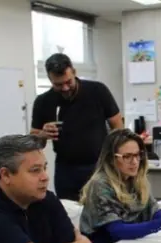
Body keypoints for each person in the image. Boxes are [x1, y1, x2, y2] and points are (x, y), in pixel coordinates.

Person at [30, 53, 123, 201]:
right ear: (50, 79)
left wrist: (116, 158)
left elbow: (118, 127)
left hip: (99, 165)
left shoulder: (97, 91)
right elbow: (33, 142)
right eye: (58, 84)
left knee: (104, 209)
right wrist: (42, 135)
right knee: (69, 213)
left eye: (68, 82)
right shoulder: (43, 102)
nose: (65, 88)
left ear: (74, 72)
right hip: (66, 170)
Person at [80, 129, 161, 243]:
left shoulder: (136, 179)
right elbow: (117, 230)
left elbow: (154, 212)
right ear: (111, 159)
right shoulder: (100, 185)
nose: (135, 162)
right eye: (127, 157)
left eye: (137, 155)